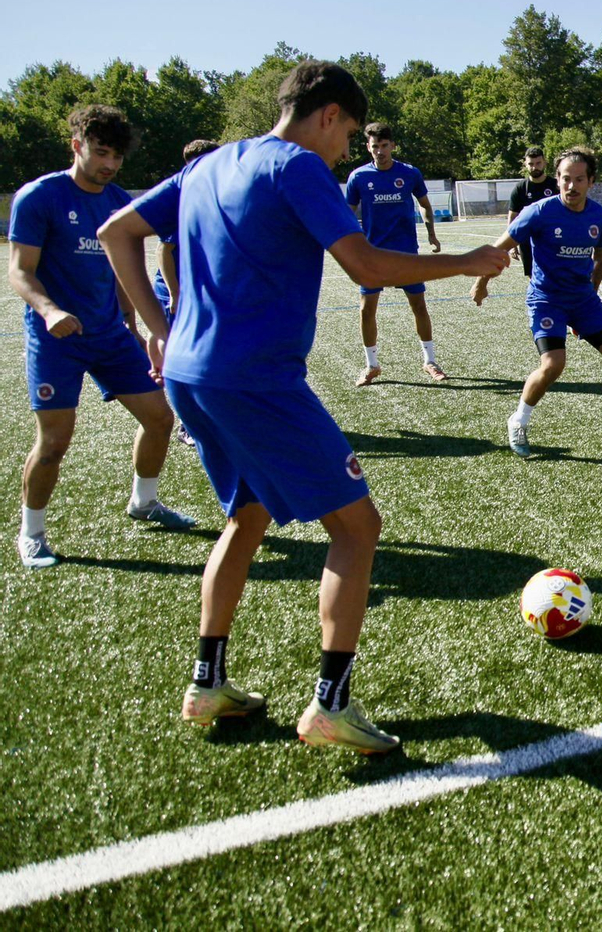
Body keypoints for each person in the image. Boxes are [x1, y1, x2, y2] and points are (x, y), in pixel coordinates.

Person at [99, 60, 508, 752]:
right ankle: (331, 704)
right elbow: (368, 267)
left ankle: (207, 681)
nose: (347, 148)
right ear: (327, 114)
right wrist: (465, 261)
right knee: (358, 527)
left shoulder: (210, 165)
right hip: (255, 378)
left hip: (190, 375)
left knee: (249, 513)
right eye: (348, 131)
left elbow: (116, 232)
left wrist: (156, 327)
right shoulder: (297, 167)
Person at [9, 104, 197, 570]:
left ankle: (144, 501)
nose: (109, 165)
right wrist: (50, 311)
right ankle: (31, 533)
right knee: (55, 441)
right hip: (57, 339)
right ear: (78, 145)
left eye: (116, 157)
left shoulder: (117, 205)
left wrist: (133, 325)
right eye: (101, 152)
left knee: (160, 418)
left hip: (111, 336)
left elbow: (123, 273)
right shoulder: (39, 197)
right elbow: (20, 271)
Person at [473, 147, 602, 453]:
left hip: (583, 300)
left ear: (590, 182)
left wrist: (592, 291)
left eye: (579, 179)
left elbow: (601, 256)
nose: (571, 186)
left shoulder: (598, 216)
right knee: (554, 364)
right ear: (557, 179)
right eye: (566, 179)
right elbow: (498, 250)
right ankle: (518, 420)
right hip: (547, 299)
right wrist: (481, 282)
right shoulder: (540, 212)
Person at [347, 122, 445, 385]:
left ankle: (430, 360)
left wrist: (431, 233)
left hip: (406, 254)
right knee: (367, 310)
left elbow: (424, 205)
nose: (380, 151)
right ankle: (371, 365)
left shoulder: (410, 173)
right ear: (368, 148)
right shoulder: (358, 177)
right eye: (374, 146)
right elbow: (346, 213)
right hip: (372, 256)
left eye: (384, 145)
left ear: (393, 146)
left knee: (419, 306)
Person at [156, 138, 223, 447]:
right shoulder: (184, 197)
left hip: (202, 290)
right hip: (180, 292)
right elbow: (164, 250)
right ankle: (188, 424)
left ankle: (212, 416)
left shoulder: (215, 193)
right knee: (187, 358)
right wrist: (176, 293)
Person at [508, 146, 558, 278]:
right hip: (527, 241)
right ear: (525, 164)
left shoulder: (556, 186)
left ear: (544, 162)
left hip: (554, 239)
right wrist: (512, 245)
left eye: (538, 163)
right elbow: (513, 217)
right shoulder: (520, 188)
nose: (534, 167)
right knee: (533, 278)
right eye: (530, 164)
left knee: (556, 276)